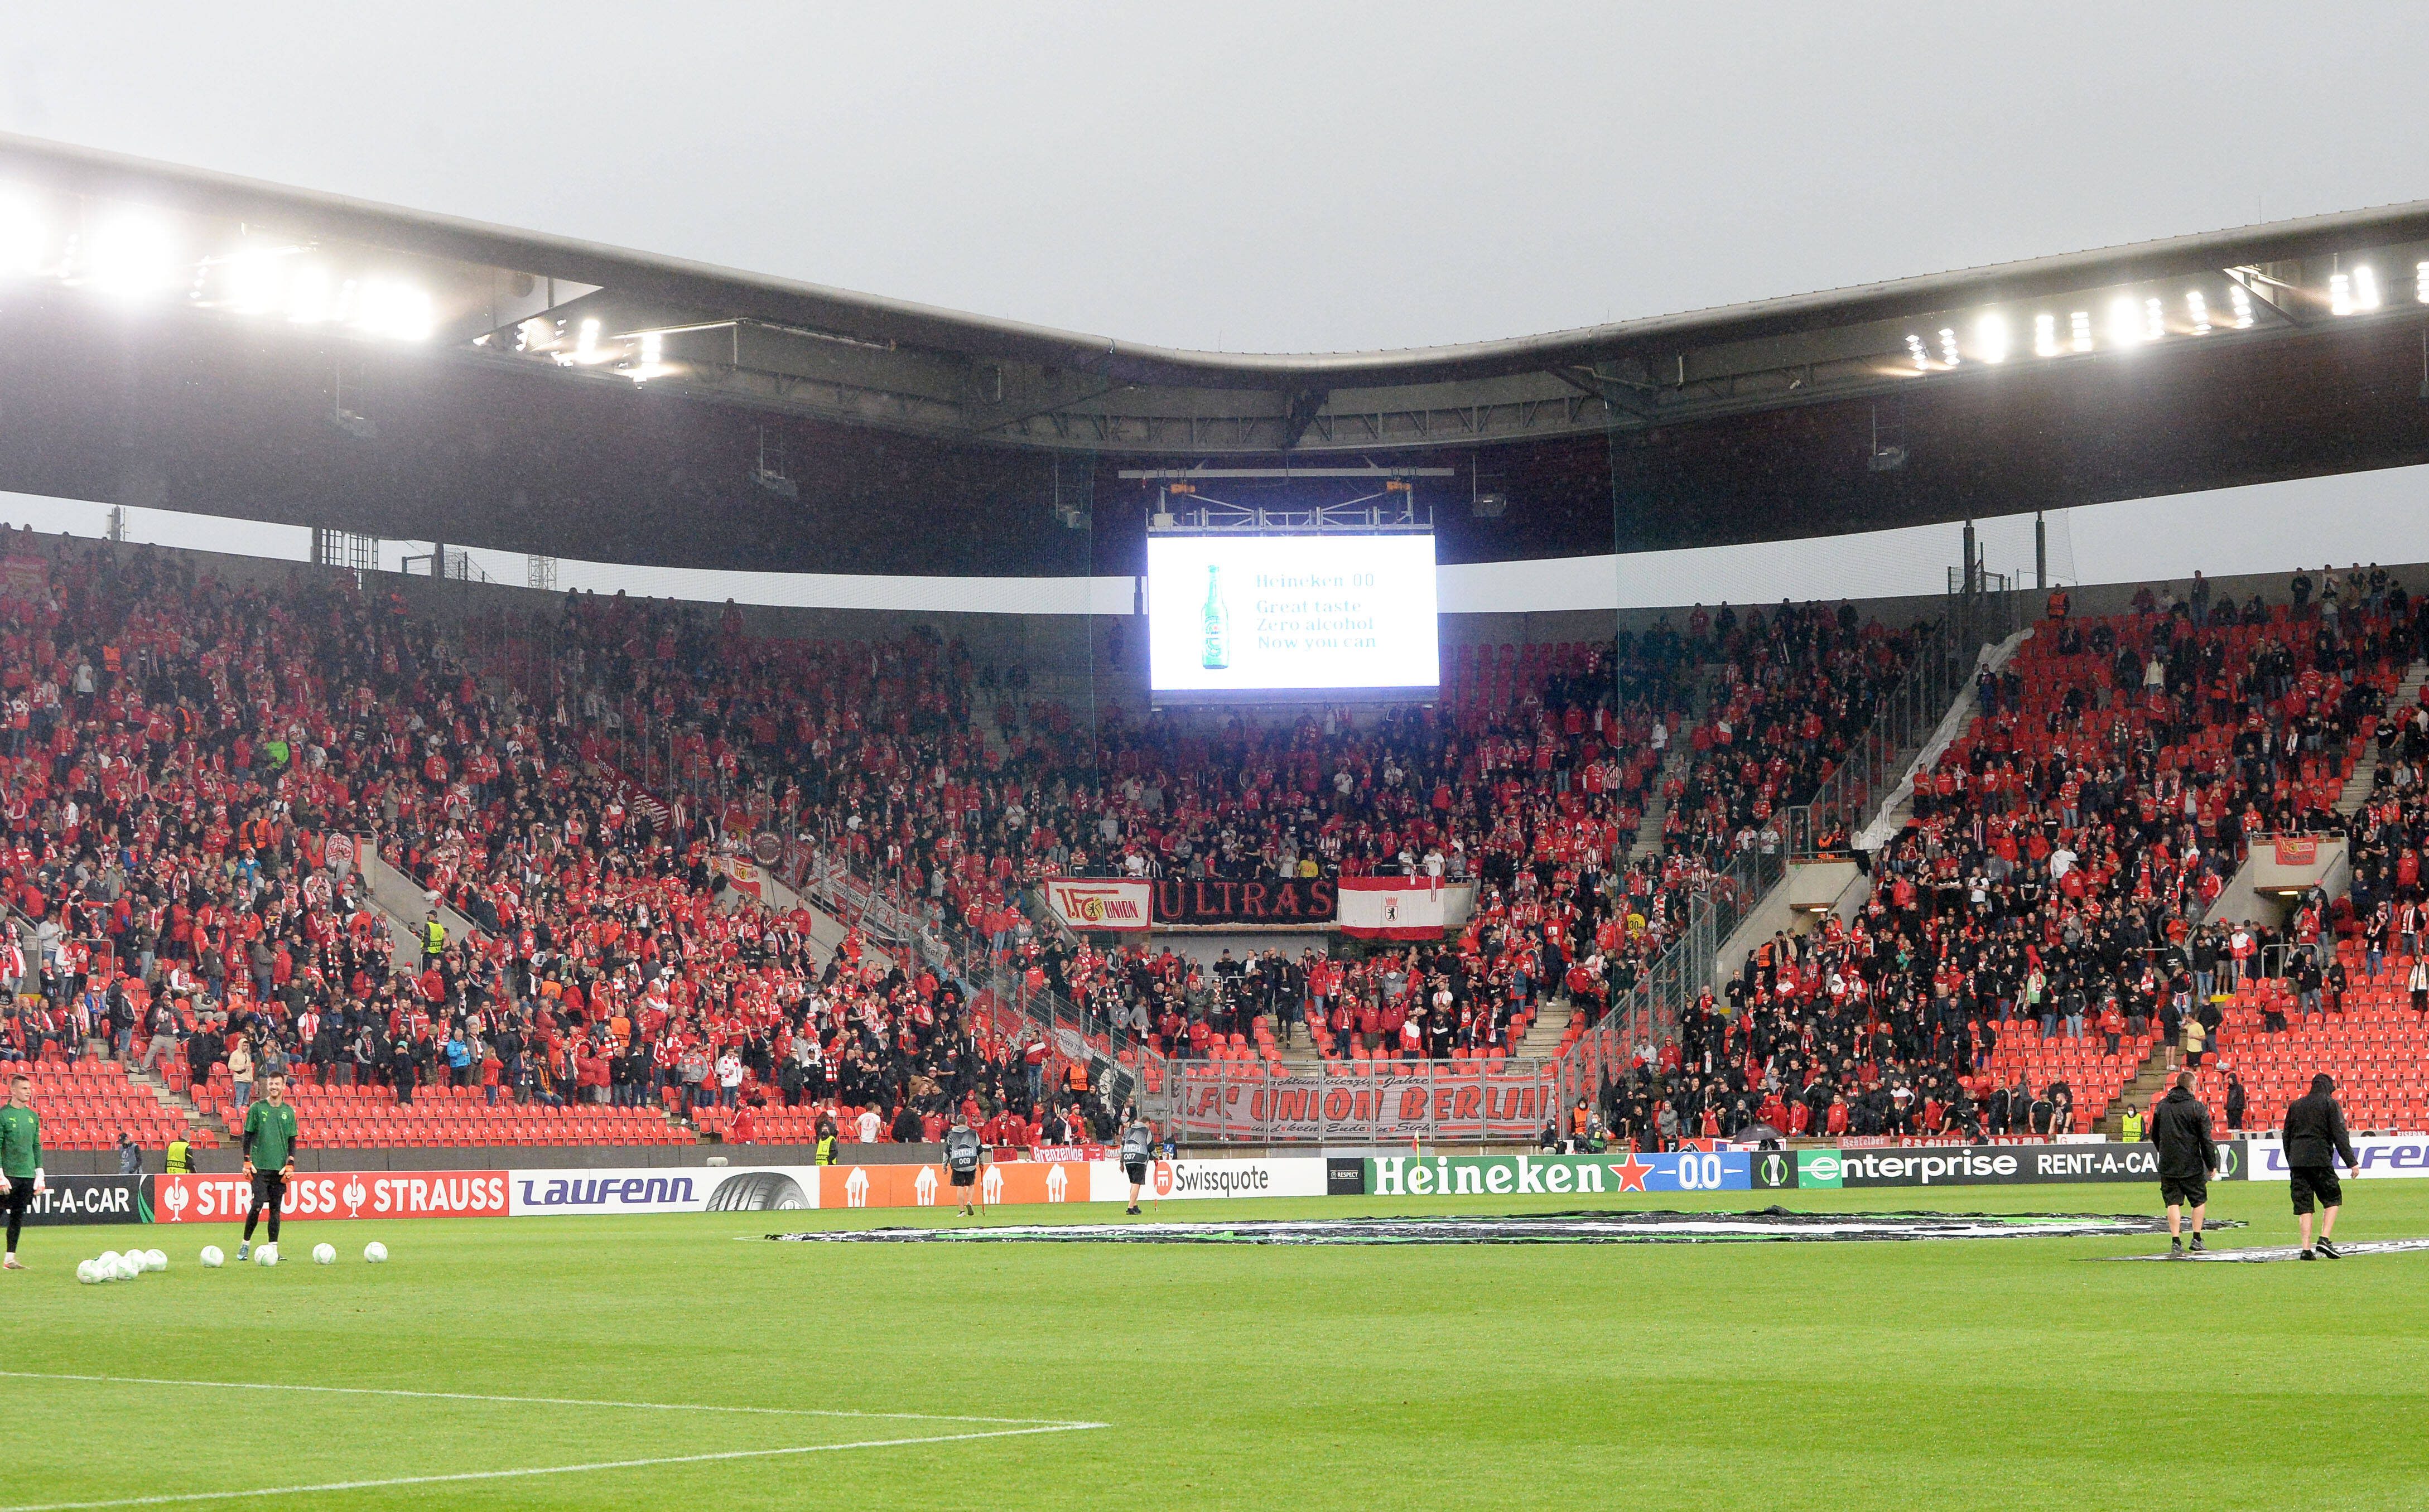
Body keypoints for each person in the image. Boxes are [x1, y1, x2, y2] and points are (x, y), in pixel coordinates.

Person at [2281, 1073, 2360, 1260]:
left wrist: (2291, 1159)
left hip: (2298, 1161)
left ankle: (2306, 1249)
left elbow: (2287, 1135)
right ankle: (2324, 1239)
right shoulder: (2330, 1104)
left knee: (2304, 1205)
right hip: (2320, 1159)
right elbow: (2339, 1135)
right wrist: (2352, 1163)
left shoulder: (2296, 1105)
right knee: (2333, 1198)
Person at [2149, 1071, 2218, 1258]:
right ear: (2192, 1086)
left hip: (2168, 1163)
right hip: (2191, 1163)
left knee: (2172, 1202)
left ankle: (2176, 1241)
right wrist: (2212, 1164)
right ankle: (2197, 1238)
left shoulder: (2162, 1106)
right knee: (2199, 1200)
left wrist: (2163, 1151)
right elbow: (2206, 1139)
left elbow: (2154, 1134)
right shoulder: (2197, 1107)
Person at [237, 1072, 299, 1263]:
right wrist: (247, 1160)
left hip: (279, 1169)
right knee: (257, 1206)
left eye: (277, 1084)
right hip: (259, 1167)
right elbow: (247, 1136)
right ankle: (245, 1245)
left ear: (283, 1087)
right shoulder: (257, 1108)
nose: (273, 1087)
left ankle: (273, 1249)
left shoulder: (288, 1111)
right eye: (271, 1084)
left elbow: (292, 1141)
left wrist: (290, 1163)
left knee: (275, 1209)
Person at [0, 1073, 45, 1271]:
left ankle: (10, 1259)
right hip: (8, 1175)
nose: (29, 1092)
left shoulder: (32, 1116)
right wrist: (0, 1175)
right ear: (13, 1090)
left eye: (29, 1088)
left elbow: (36, 1146)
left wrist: (40, 1173)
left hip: (27, 1175)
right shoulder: (3, 1115)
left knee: (18, 1216)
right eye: (24, 1089)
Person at [943, 1109, 985, 1218]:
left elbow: (947, 1151)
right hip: (971, 1163)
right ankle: (970, 1201)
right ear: (967, 1123)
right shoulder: (973, 1133)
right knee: (970, 1185)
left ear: (957, 1123)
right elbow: (980, 1149)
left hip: (957, 1164)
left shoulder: (951, 1135)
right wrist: (982, 1163)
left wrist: (944, 1166)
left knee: (960, 1187)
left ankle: (962, 1211)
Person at [1120, 1107, 1156, 1215]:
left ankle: (1134, 1205)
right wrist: (1156, 1157)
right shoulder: (1146, 1131)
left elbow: (1122, 1145)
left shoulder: (1129, 1130)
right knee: (1137, 1183)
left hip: (1128, 1159)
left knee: (1133, 1183)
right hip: (1139, 1158)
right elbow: (1151, 1146)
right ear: (1147, 1123)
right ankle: (1130, 1207)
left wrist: (1121, 1162)